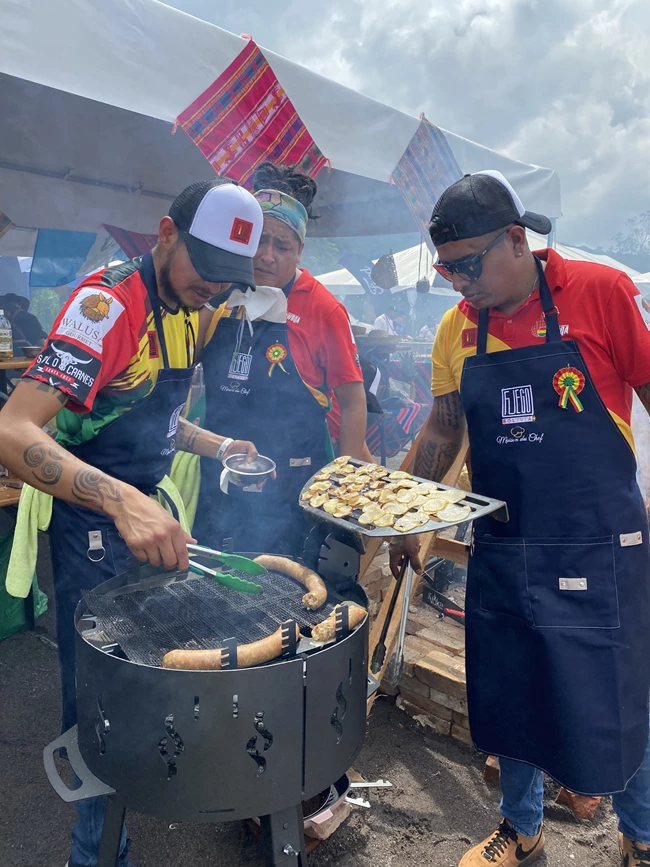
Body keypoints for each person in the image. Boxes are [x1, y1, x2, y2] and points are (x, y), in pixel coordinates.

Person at [0, 178, 264, 867]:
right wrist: (120, 499)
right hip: (91, 528)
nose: (214, 285)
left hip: (142, 517)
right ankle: (93, 855)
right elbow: (11, 429)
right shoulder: (105, 304)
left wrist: (218, 446)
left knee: (149, 689)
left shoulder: (191, 307)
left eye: (229, 276)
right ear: (166, 233)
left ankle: (122, 821)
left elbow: (155, 418)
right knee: (99, 706)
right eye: (205, 266)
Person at [390, 170, 650, 867]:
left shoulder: (599, 292)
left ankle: (642, 834)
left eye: (469, 265)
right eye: (448, 270)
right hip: (506, 540)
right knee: (513, 688)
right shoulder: (456, 329)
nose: (459, 283)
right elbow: (443, 434)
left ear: (517, 238)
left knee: (621, 693)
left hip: (596, 541)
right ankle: (521, 827)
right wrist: (406, 514)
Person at [195, 162, 370, 556]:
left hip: (292, 483)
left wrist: (343, 481)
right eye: (258, 240)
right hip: (219, 473)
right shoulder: (221, 293)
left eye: (282, 246)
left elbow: (353, 400)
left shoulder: (322, 307)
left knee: (287, 590)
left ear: (300, 250)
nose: (266, 256)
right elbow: (187, 360)